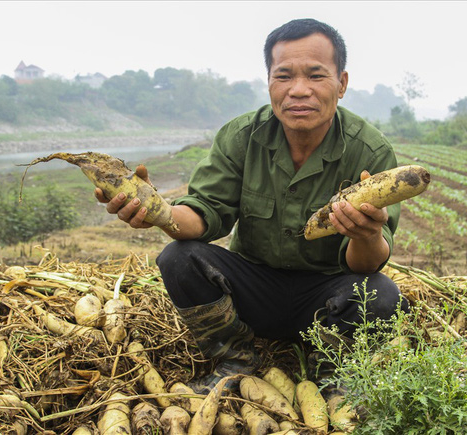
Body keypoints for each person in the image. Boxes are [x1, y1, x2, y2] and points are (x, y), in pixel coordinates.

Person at [96, 18, 408, 393]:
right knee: (178, 257)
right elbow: (203, 213)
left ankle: (332, 371)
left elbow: (366, 264)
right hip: (253, 292)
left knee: (382, 294)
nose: (298, 90)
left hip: (326, 299)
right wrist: (158, 212)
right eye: (284, 76)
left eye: (315, 76)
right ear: (269, 82)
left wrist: (367, 233)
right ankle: (236, 356)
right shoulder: (242, 136)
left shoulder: (369, 152)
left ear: (341, 84)